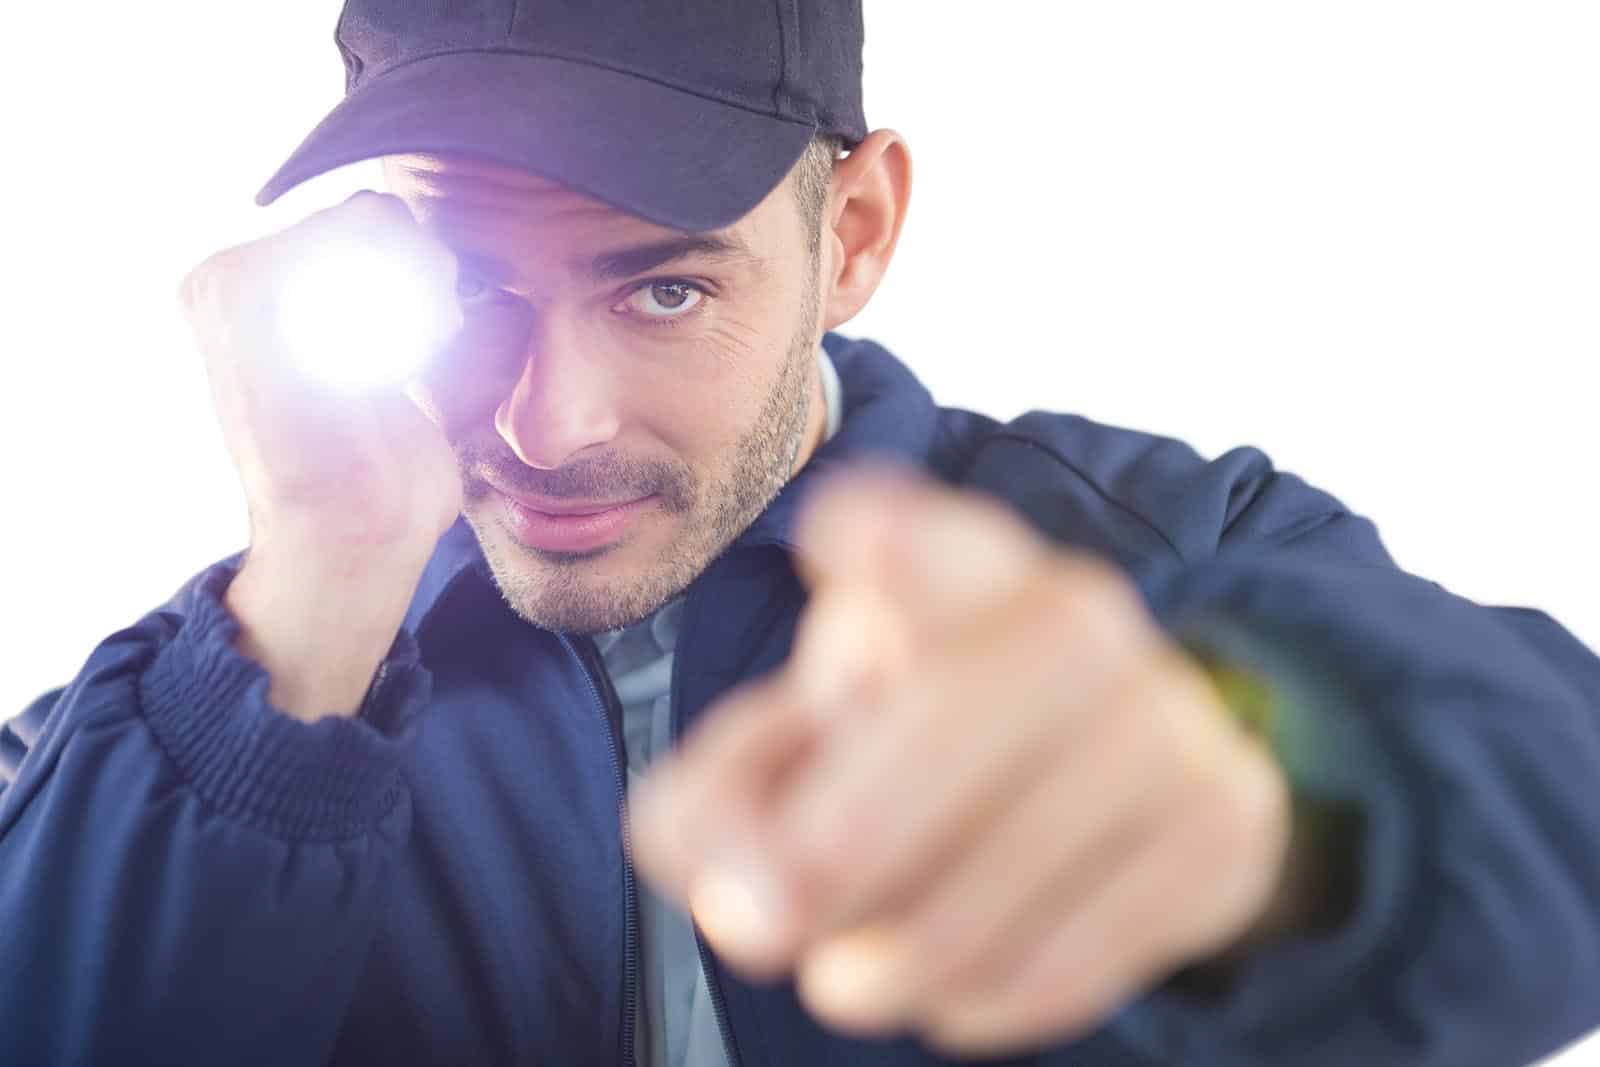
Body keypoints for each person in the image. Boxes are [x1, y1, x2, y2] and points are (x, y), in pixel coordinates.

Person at [2, 1, 1597, 1064]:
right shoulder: (207, 696)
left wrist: (1276, 809)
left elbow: (1563, 794)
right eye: (465, 292)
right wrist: (302, 635)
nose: (549, 428)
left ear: (856, 233)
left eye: (665, 288)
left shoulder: (1144, 563)